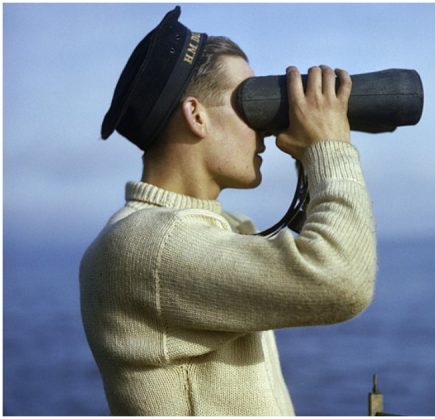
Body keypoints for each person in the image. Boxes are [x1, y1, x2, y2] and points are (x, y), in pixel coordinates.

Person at [80, 7, 376, 415]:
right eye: (249, 101)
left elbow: (315, 250)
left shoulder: (215, 230)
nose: (266, 128)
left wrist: (310, 155)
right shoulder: (148, 246)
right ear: (196, 115)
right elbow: (342, 281)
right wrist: (329, 148)